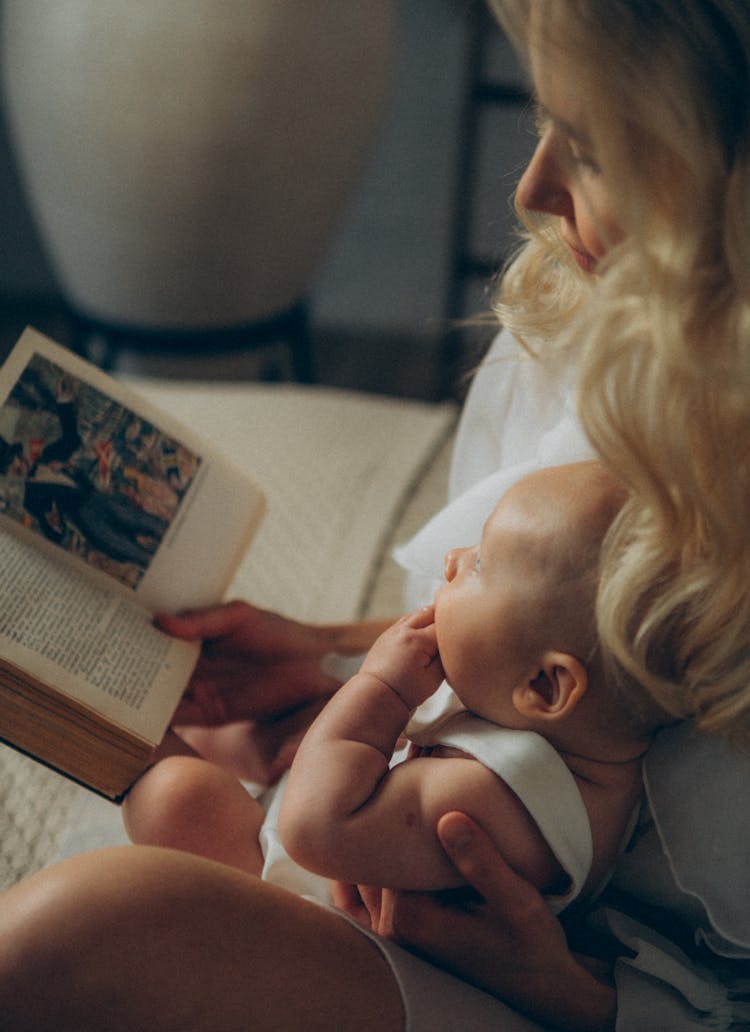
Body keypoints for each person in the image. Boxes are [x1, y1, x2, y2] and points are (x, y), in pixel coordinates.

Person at [0, 1, 749, 1029]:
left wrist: (578, 997)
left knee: (73, 931)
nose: (531, 190)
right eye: (547, 125)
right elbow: (545, 630)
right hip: (417, 843)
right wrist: (331, 656)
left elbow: (322, 820)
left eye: (593, 150)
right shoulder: (595, 309)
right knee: (179, 794)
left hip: (572, 987)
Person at [125, 462, 664, 920]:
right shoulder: (578, 746)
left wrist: (381, 686)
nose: (453, 557)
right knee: (258, 723)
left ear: (545, 686)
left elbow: (312, 829)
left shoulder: (499, 799)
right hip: (346, 799)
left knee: (177, 796)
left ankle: (127, 729)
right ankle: (178, 718)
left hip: (310, 914)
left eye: (479, 563)